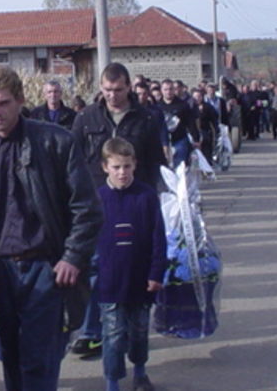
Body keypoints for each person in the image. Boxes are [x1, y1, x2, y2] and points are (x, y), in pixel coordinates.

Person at [0, 66, 101, 391]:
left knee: (39, 360)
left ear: (21, 100)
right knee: (10, 357)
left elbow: (87, 208)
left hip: (44, 266)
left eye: (3, 103)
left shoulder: (55, 142)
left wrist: (72, 256)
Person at [69, 63, 168, 358]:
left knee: (128, 265)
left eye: (118, 90)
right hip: (95, 203)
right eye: (107, 90)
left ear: (129, 88)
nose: (112, 95)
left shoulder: (146, 118)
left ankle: (126, 326)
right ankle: (91, 332)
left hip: (133, 203)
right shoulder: (86, 118)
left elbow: (153, 163)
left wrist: (148, 198)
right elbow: (73, 161)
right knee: (94, 267)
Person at [95, 138, 166, 391]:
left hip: (140, 279)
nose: (122, 172)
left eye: (126, 166)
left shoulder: (146, 196)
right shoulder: (98, 198)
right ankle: (112, 381)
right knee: (113, 335)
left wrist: (156, 272)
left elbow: (158, 237)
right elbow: (88, 239)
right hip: (110, 281)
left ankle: (140, 371)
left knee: (138, 331)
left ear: (134, 164)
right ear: (105, 167)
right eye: (116, 167)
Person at [157, 78, 200, 169]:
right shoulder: (157, 107)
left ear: (174, 90)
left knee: (180, 167)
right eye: (166, 89)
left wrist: (196, 139)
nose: (168, 92)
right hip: (163, 142)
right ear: (161, 90)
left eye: (171, 89)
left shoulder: (183, 105)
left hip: (179, 140)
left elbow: (190, 123)